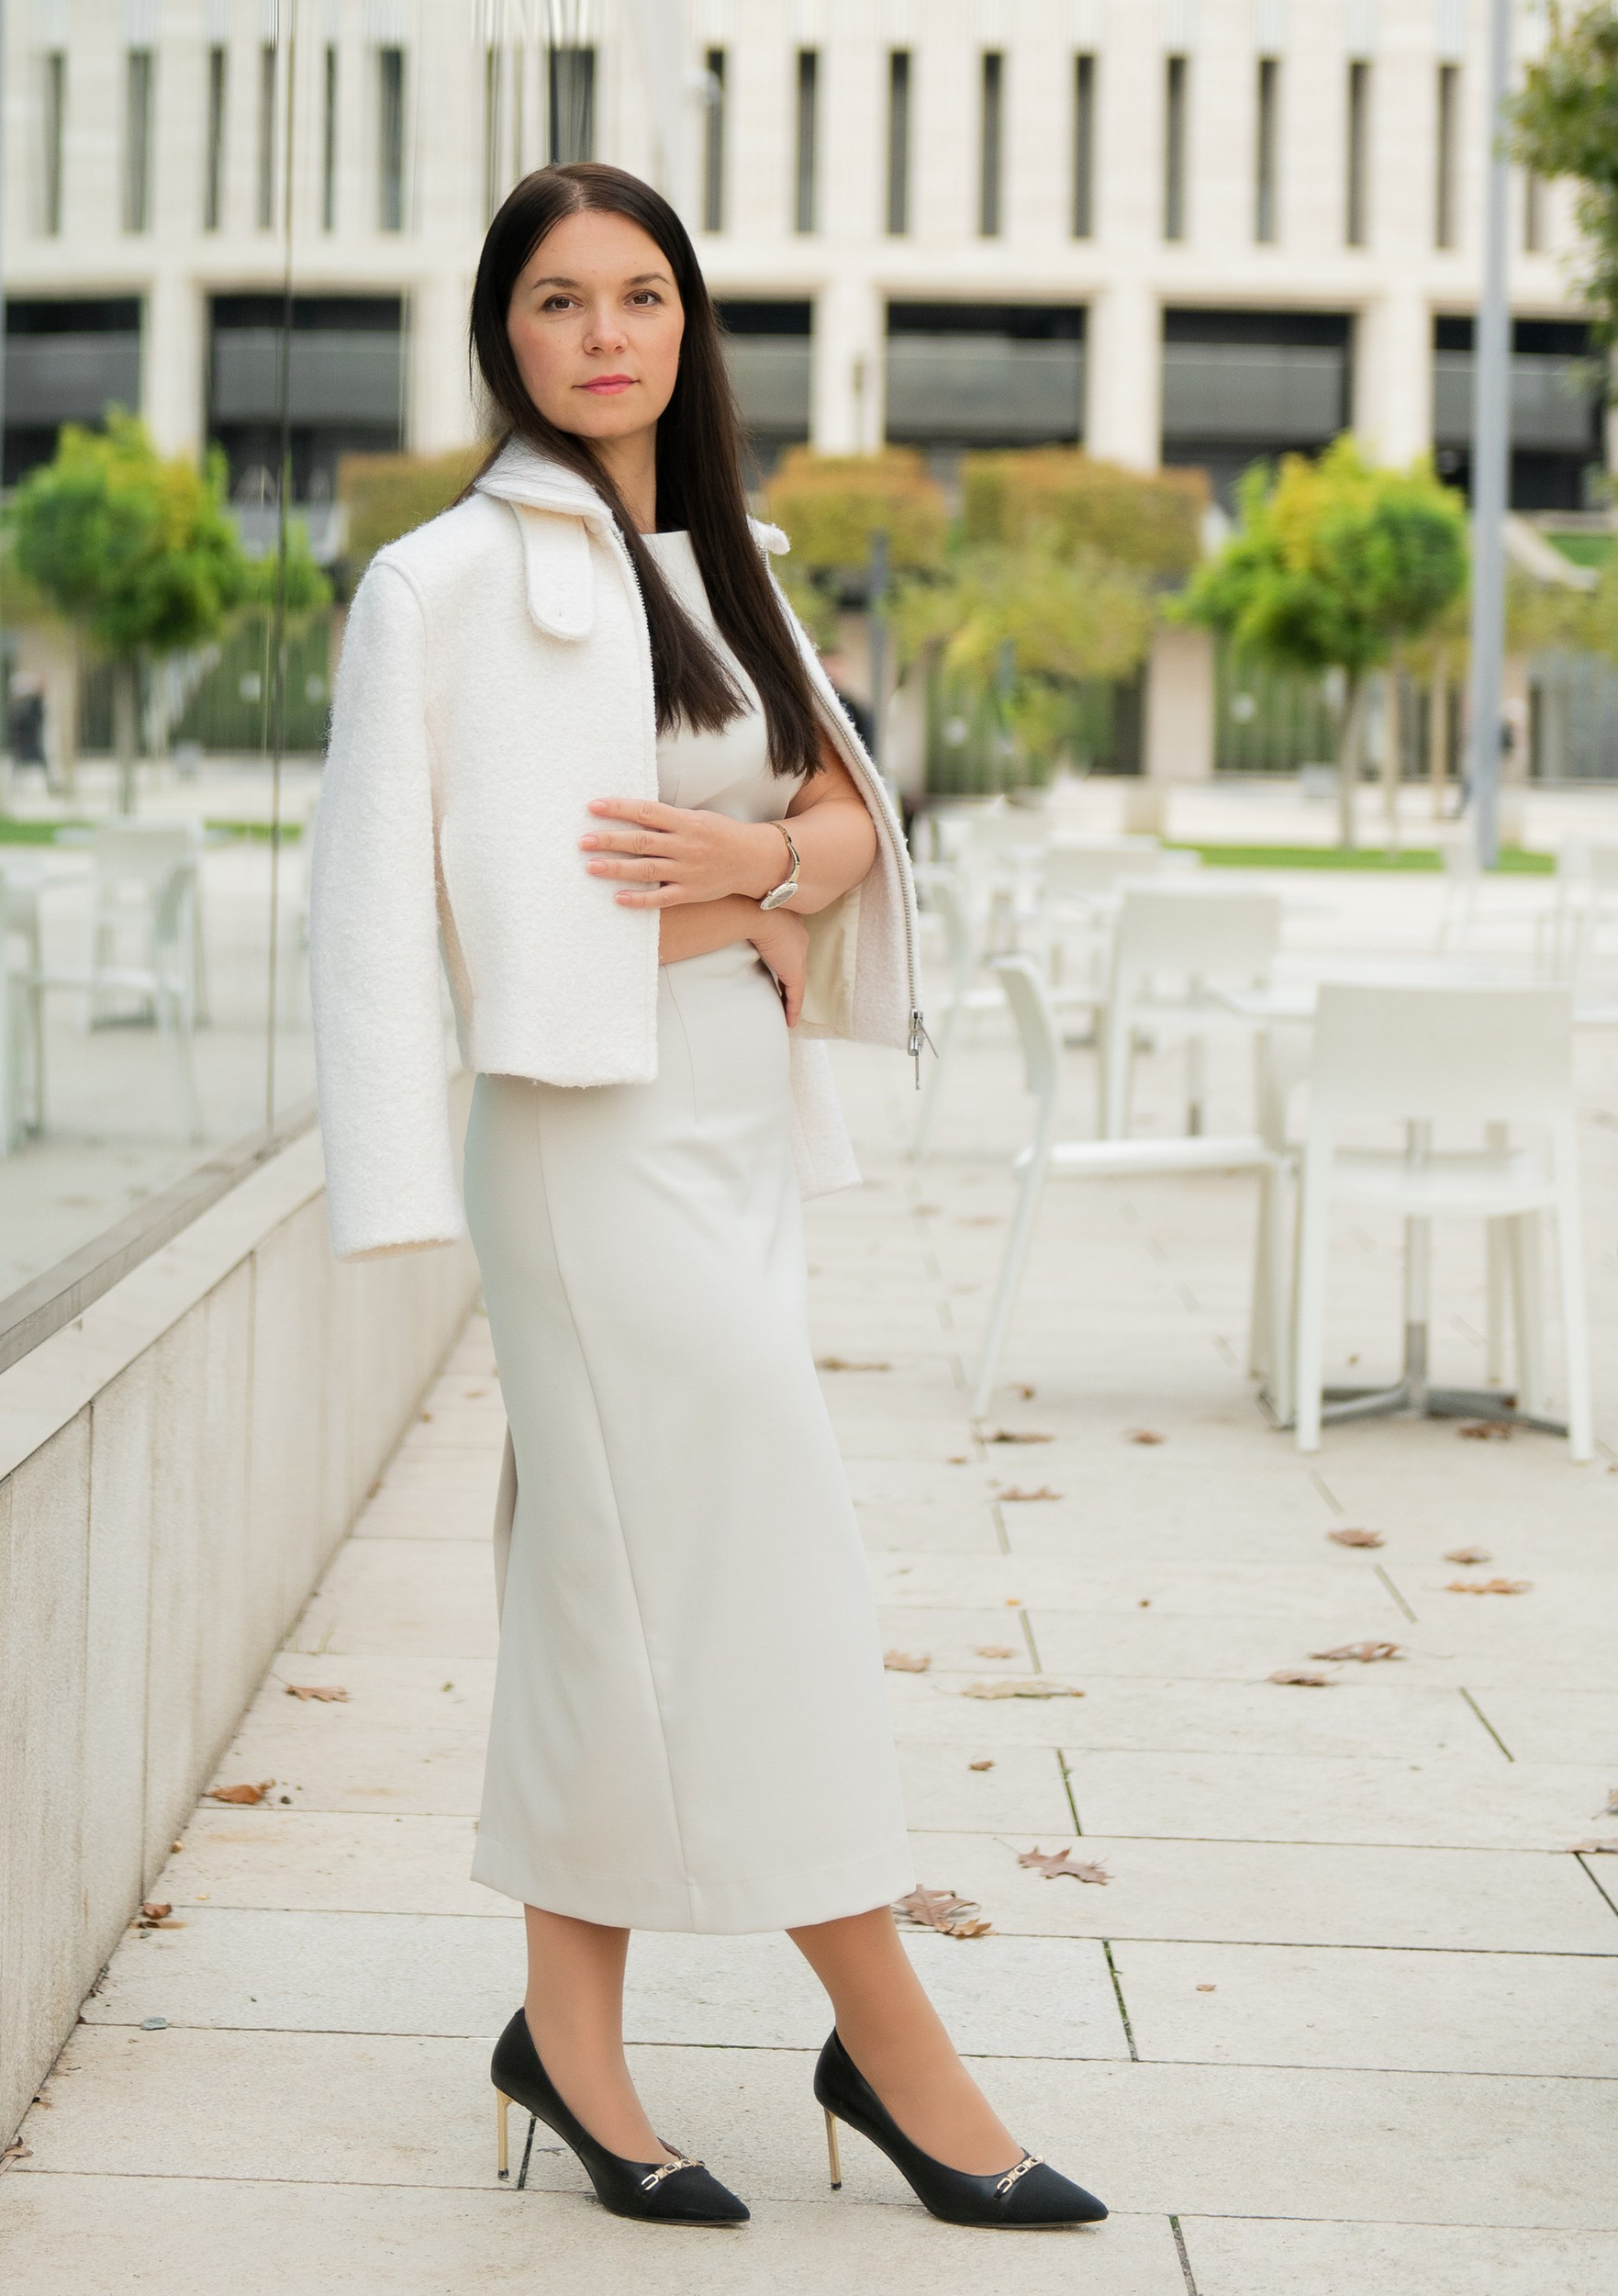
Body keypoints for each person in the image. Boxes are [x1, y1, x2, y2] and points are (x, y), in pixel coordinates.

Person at [308, 164, 1103, 2233]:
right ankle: (891, 2040)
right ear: (501, 335)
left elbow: (843, 812)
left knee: (605, 1575)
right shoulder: (436, 586)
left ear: (687, 324)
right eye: (558, 299)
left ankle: (564, 2038)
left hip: (731, 1122)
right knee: (763, 1561)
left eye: (641, 293)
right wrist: (398, 1180)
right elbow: (378, 909)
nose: (604, 333)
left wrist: (769, 866)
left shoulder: (730, 560)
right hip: (580, 1143)